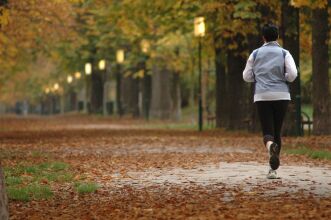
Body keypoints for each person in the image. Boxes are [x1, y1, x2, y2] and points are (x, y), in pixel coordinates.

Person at [243, 23, 297, 179]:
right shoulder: (284, 53)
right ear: (278, 37)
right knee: (277, 131)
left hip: (262, 96)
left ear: (263, 37)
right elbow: (292, 74)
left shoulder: (255, 53)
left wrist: (257, 77)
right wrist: (284, 77)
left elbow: (246, 76)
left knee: (267, 132)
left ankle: (270, 147)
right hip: (281, 95)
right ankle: (272, 170)